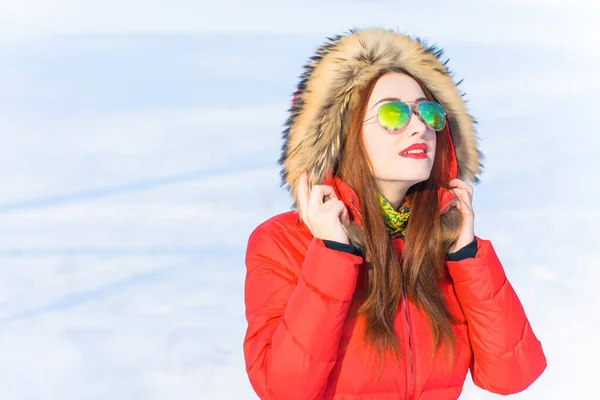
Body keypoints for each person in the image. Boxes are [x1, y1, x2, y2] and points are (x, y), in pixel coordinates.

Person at [242, 28, 546, 400]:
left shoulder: (441, 242)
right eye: (393, 113)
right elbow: (284, 390)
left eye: (429, 112)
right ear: (343, 133)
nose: (419, 126)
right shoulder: (283, 242)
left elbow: (513, 374)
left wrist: (466, 253)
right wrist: (335, 253)